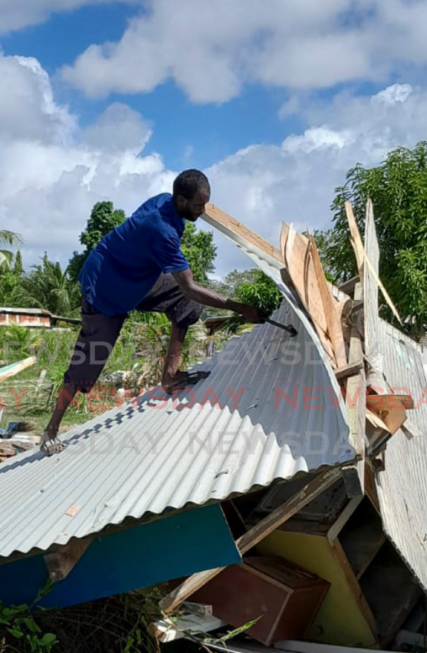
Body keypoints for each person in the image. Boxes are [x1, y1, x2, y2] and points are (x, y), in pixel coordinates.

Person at [40, 169, 265, 455]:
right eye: (199, 205)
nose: (203, 210)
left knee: (186, 302)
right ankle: (50, 429)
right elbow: (190, 286)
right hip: (105, 290)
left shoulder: (166, 202)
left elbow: (186, 291)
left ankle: (170, 375)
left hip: (135, 280)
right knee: (88, 362)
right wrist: (239, 308)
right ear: (181, 200)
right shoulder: (162, 230)